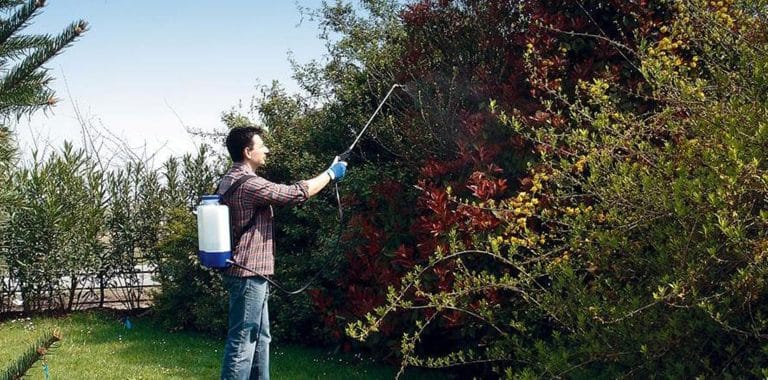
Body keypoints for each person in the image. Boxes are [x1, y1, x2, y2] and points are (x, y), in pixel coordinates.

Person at [218, 126, 347, 380]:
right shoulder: (248, 184)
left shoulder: (229, 179)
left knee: (260, 338)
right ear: (247, 152)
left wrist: (328, 172)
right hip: (248, 273)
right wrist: (331, 174)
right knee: (243, 342)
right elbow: (294, 193)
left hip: (250, 272)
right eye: (261, 146)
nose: (266, 150)